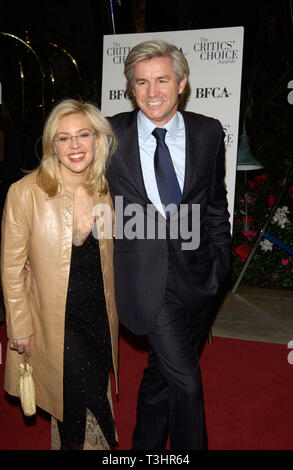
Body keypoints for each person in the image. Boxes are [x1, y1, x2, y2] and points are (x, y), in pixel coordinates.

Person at [106, 40, 232, 450]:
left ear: (181, 83)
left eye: (162, 79)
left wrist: (220, 264)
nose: (152, 91)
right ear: (131, 88)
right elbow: (65, 177)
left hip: (200, 277)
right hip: (143, 279)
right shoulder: (109, 135)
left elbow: (215, 204)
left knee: (161, 376)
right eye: (141, 82)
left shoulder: (209, 131)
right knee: (187, 383)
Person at [1, 99, 119, 450]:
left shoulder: (105, 188)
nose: (75, 146)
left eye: (83, 135)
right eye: (64, 138)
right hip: (54, 321)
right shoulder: (25, 193)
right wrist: (19, 326)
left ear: (98, 139)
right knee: (78, 405)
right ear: (52, 144)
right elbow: (10, 267)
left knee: (89, 396)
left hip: (98, 316)